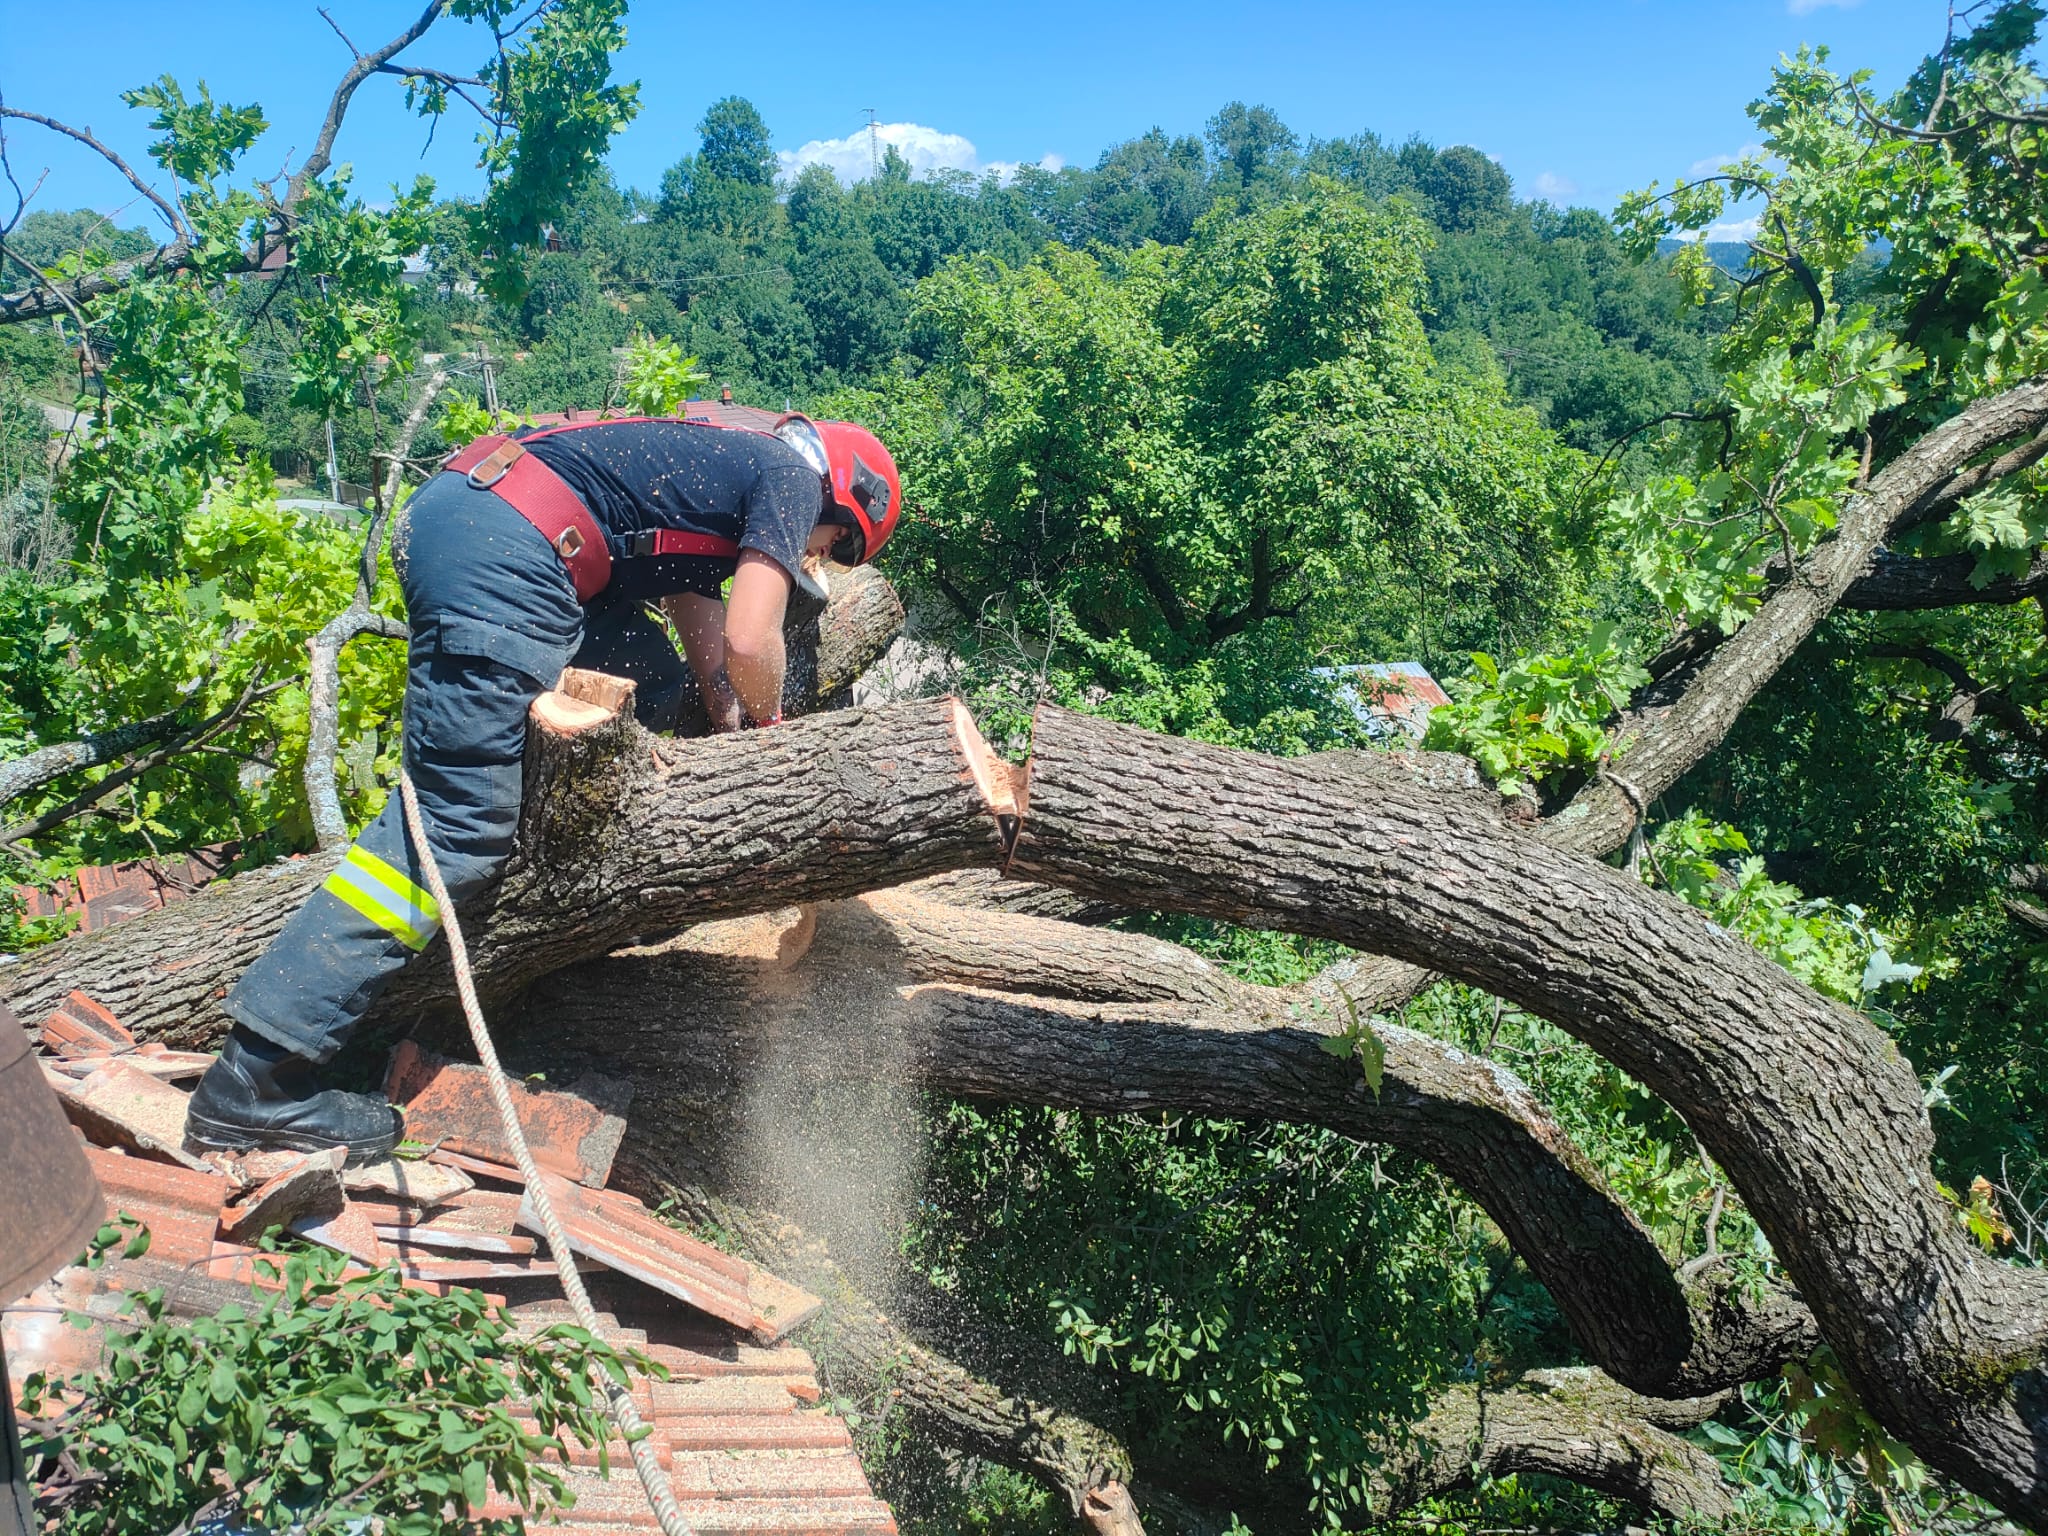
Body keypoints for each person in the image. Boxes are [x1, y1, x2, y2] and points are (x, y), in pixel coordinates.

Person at [182, 410, 901, 1162]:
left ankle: (566, 832)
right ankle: (256, 1078)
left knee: (651, 678)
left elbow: (708, 642)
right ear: (843, 499)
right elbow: (754, 640)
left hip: (489, 523)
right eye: (830, 545)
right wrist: (774, 722)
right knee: (460, 829)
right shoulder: (787, 475)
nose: (816, 557)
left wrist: (728, 718)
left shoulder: (717, 483)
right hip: (507, 546)